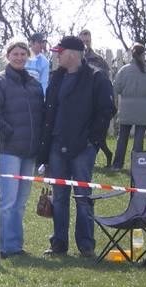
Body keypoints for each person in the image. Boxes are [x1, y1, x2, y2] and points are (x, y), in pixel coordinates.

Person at [38, 36, 116, 258]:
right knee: (60, 197)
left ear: (72, 54)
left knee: (83, 196)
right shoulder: (56, 78)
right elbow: (49, 111)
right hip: (57, 145)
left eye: (60, 52)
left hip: (83, 148)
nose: (57, 55)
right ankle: (59, 243)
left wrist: (92, 141)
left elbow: (107, 110)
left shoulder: (96, 77)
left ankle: (86, 245)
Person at [0, 39, 44, 258]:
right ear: (8, 56)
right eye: (15, 54)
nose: (19, 57)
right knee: (6, 200)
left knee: (20, 202)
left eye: (23, 54)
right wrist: (10, 134)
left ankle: (14, 246)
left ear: (28, 56)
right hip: (9, 149)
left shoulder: (34, 84)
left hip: (30, 150)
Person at [111, 44, 146, 170]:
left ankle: (117, 164)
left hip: (127, 108)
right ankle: (137, 165)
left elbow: (115, 88)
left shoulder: (124, 70)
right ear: (143, 54)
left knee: (122, 137)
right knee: (139, 138)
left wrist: (116, 105)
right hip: (144, 109)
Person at [79, 29, 113, 166]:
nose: (85, 43)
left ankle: (90, 159)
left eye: (87, 41)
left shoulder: (99, 60)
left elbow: (105, 80)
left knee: (97, 136)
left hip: (96, 102)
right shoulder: (75, 59)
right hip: (80, 102)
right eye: (82, 41)